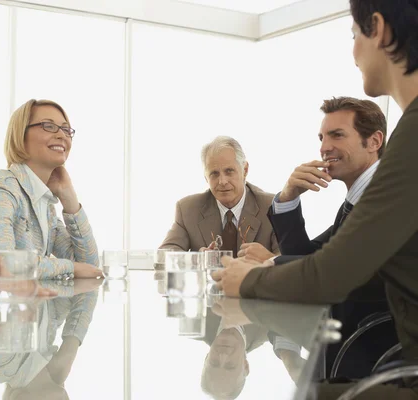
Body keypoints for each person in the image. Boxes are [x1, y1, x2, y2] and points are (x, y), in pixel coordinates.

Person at [216, 0, 418, 396]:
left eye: (354, 36)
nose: (354, 52)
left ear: (377, 29)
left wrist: (253, 278)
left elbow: (331, 273)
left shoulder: (411, 142)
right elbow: (324, 257)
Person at [235, 97, 393, 377]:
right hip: (344, 348)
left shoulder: (385, 200)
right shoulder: (360, 200)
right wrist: (288, 197)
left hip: (372, 363)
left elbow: (345, 274)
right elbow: (311, 257)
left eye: (337, 135)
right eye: (322, 137)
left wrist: (270, 266)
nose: (324, 147)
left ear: (374, 141)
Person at [0, 99, 101, 279]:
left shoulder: (45, 204)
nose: (62, 135)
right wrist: (71, 268)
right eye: (48, 126)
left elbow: (89, 265)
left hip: (20, 304)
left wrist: (70, 200)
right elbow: (3, 265)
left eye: (66, 129)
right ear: (21, 135)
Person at [160, 136, 279, 256]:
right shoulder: (188, 209)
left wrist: (266, 260)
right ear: (206, 177)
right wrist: (197, 259)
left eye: (229, 171)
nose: (222, 181)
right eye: (214, 174)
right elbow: (164, 254)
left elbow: (290, 262)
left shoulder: (272, 207)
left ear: (245, 170)